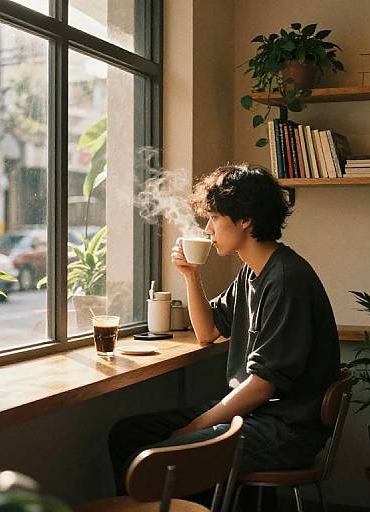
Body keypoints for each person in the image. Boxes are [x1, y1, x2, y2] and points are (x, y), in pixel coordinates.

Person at [109, 164, 340, 497]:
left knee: (168, 456)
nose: (208, 228)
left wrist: (194, 427)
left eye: (215, 218)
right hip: (258, 416)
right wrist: (191, 275)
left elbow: (262, 386)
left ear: (245, 219)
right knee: (128, 434)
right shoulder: (253, 272)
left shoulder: (287, 280)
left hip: (284, 429)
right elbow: (208, 331)